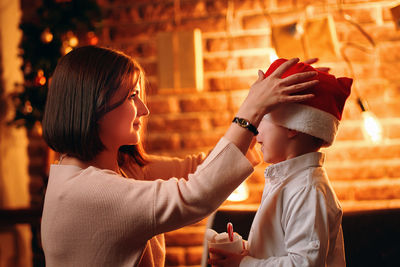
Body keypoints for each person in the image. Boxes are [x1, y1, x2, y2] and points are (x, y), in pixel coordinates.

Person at [40, 46, 318, 266]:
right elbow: (195, 194)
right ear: (94, 105)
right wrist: (250, 112)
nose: (144, 109)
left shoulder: (118, 169)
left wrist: (285, 127)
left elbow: (198, 168)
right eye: (132, 96)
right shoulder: (89, 193)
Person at [208, 58, 352, 267]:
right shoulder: (288, 182)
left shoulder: (307, 190)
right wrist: (244, 251)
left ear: (293, 126)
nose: (255, 129)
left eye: (264, 118)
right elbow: (281, 250)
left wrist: (243, 264)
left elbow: (304, 264)